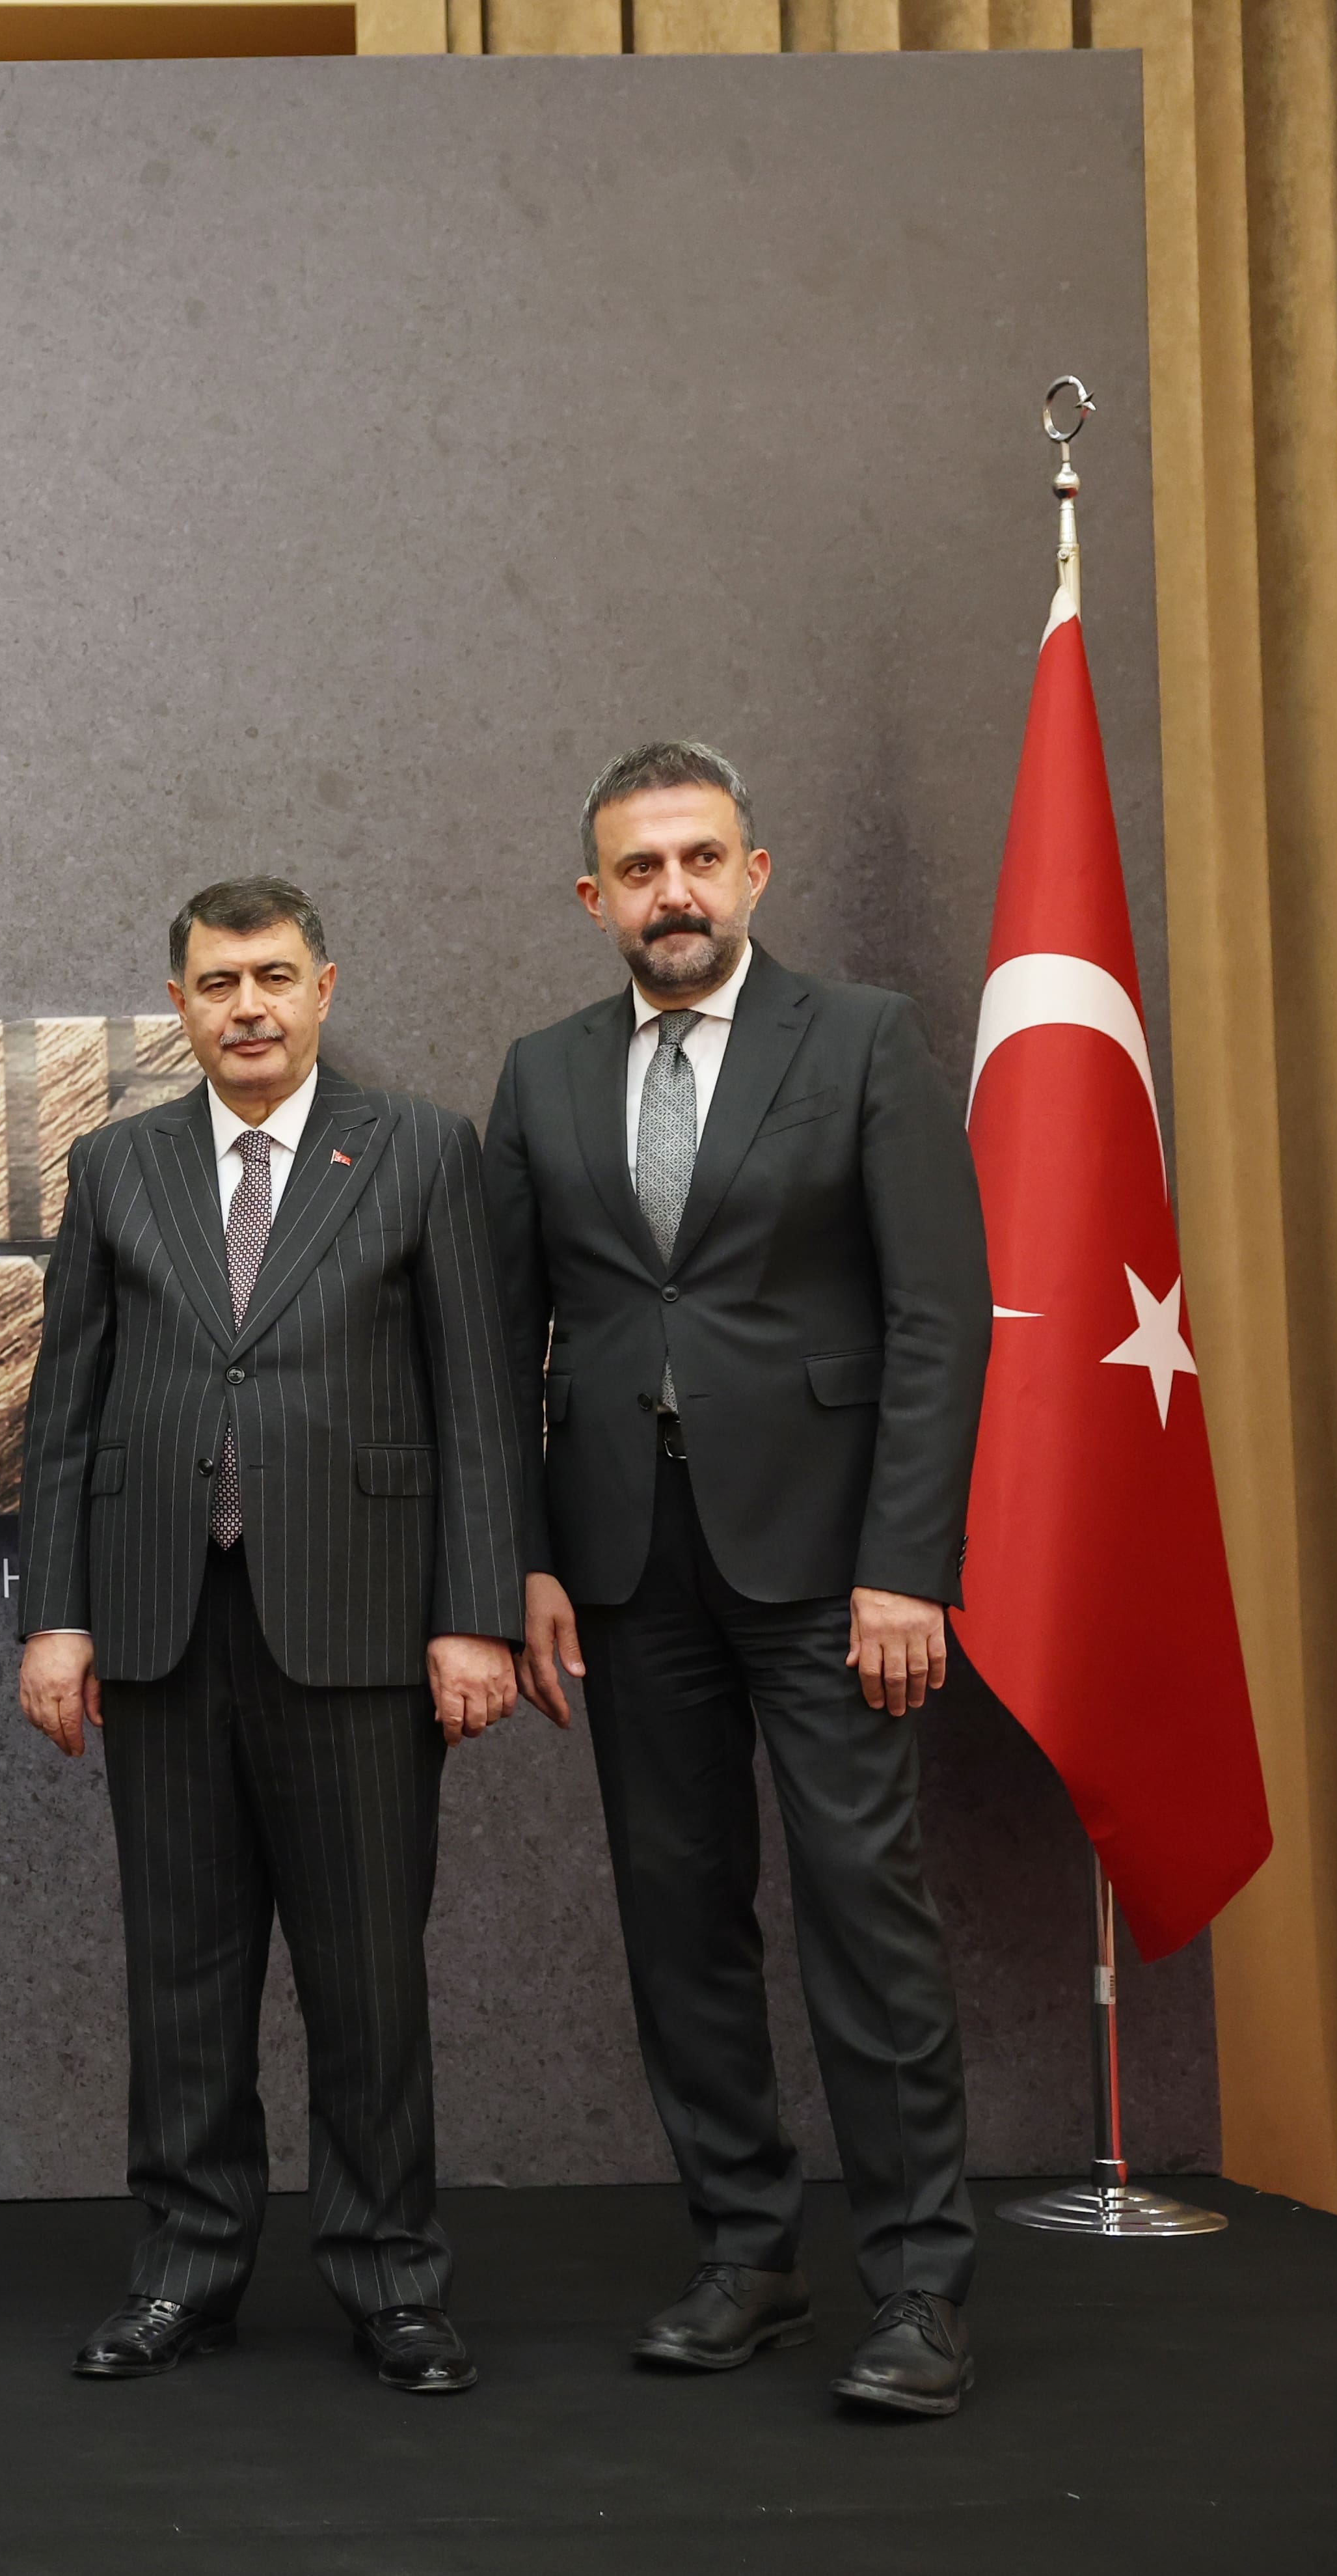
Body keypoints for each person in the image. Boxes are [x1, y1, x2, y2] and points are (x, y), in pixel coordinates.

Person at [482, 742, 993, 2419]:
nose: (675, 892)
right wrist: (527, 1556)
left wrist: (907, 1565)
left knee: (864, 1912)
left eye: (701, 858)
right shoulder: (542, 1074)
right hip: (628, 1568)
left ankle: (919, 2284)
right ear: (595, 897)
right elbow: (500, 1343)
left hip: (833, 1570)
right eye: (641, 869)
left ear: (755, 872)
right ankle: (747, 2253)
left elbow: (937, 1319)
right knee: (678, 1915)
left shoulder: (860, 1041)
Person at [15, 877, 521, 2397]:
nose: (249, 1006)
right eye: (219, 981)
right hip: (162, 1625)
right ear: (178, 1002)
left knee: (367, 1977)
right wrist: (56, 1614)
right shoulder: (116, 1163)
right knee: (182, 1973)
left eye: (275, 976)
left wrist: (475, 1614)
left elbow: (479, 1400)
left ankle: (392, 2276)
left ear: (324, 988)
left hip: (362, 1625)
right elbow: (65, 1411)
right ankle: (185, 2267)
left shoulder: (420, 1147)